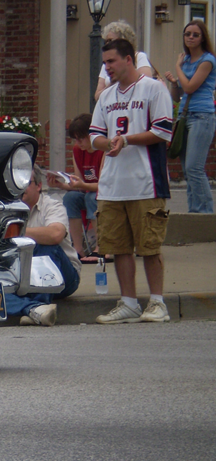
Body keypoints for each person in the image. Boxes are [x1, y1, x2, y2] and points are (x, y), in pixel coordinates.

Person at [89, 38, 174, 324]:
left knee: (149, 246)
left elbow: (163, 131)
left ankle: (158, 302)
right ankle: (128, 302)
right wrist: (108, 144)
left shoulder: (154, 89)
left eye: (111, 61)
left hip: (146, 181)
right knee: (119, 246)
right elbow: (94, 136)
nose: (107, 67)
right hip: (112, 186)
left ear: (129, 59)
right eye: (105, 62)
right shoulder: (107, 97)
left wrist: (126, 140)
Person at [5, 165, 81, 326]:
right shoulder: (8, 209)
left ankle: (37, 302)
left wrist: (16, 231)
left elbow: (55, 234)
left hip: (64, 276)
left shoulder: (52, 205)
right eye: (16, 183)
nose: (20, 187)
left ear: (39, 186)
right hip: (21, 277)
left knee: (45, 246)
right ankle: (35, 309)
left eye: (26, 182)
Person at [165, 20, 216, 214]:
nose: (191, 38)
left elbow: (190, 87)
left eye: (195, 34)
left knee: (195, 168)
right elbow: (178, 96)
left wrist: (177, 67)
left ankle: (205, 214)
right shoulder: (187, 61)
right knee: (187, 170)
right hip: (185, 116)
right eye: (188, 34)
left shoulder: (207, 60)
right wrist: (173, 83)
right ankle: (194, 212)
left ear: (203, 37)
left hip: (202, 116)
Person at [46, 113, 105, 262]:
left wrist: (82, 185)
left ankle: (101, 247)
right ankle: (78, 248)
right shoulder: (78, 151)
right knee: (71, 198)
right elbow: (79, 184)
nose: (78, 143)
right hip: (87, 190)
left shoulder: (103, 150)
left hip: (104, 194)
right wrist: (61, 185)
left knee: (92, 197)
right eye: (75, 139)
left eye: (81, 138)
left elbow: (105, 185)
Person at [93, 20, 153, 102]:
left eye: (111, 40)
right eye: (106, 41)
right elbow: (97, 97)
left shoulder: (139, 57)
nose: (107, 44)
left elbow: (146, 84)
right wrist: (112, 83)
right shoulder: (106, 65)